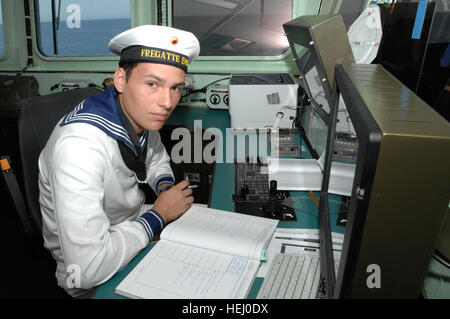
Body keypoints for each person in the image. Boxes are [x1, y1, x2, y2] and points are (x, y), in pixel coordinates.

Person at [38, 25, 200, 298]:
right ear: (121, 80)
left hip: (128, 226)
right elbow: (88, 269)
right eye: (152, 84)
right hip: (91, 274)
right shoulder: (78, 147)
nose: (166, 102)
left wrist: (164, 190)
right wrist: (158, 216)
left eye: (175, 88)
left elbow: (156, 157)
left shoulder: (138, 112)